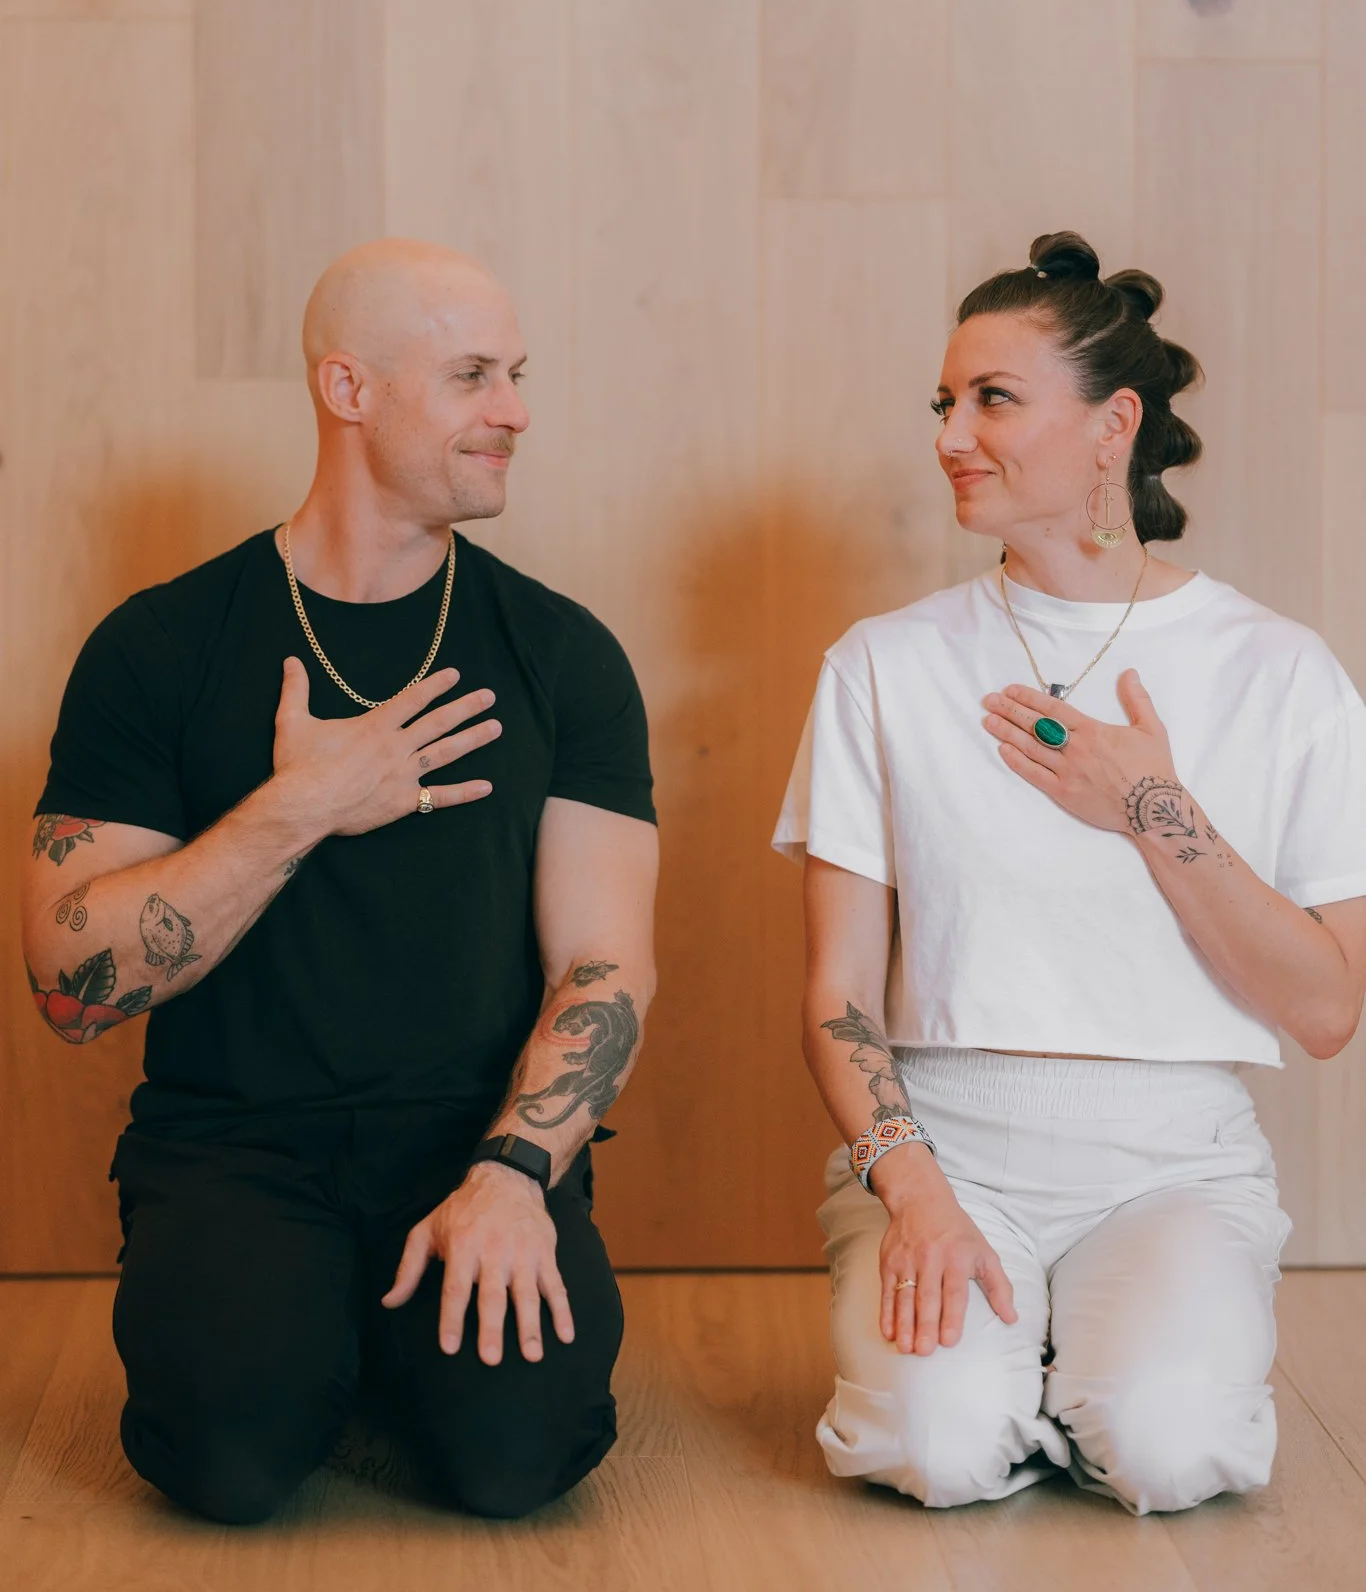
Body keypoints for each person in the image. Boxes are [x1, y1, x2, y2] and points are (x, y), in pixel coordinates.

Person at [21, 239, 658, 1526]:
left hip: (473, 1144)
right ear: (348, 387)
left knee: (516, 1463)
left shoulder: (562, 652)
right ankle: (311, 1338)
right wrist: (302, 804)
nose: (516, 410)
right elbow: (69, 982)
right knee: (224, 1466)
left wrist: (517, 1176)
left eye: (518, 375)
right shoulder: (161, 644)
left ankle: (382, 1342)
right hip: (234, 1149)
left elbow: (606, 965)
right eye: (474, 375)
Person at [774, 233, 1366, 1515]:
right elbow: (835, 990)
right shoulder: (883, 664)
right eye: (944, 402)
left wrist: (1149, 806)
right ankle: (1014, 1371)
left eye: (993, 398)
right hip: (944, 1145)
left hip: (1173, 1156)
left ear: (1114, 426)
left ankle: (1086, 1365)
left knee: (1173, 1451)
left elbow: (1325, 1009)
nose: (951, 433)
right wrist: (913, 1188)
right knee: (930, 1450)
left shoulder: (1281, 669)